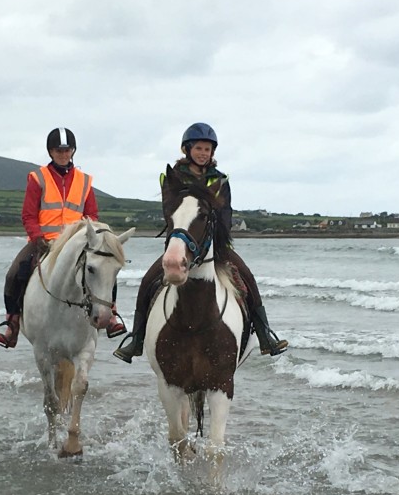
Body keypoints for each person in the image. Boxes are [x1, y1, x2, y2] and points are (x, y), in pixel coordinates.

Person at [113, 122, 287, 362]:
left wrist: (220, 241)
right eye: (199, 148)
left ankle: (265, 333)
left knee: (247, 277)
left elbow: (225, 212)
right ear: (187, 149)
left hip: (214, 244)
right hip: (183, 242)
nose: (203, 153)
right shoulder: (172, 176)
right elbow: (170, 208)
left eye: (207, 149)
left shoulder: (221, 180)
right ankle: (137, 338)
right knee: (148, 281)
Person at [0, 127, 126, 348]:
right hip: (44, 241)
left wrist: (85, 235)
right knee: (14, 274)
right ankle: (12, 325)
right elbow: (28, 214)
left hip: (77, 242)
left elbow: (91, 214)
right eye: (58, 150)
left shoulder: (84, 181)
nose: (63, 154)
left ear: (73, 151)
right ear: (50, 152)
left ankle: (110, 315)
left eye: (67, 150)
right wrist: (37, 237)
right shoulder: (38, 178)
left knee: (104, 267)